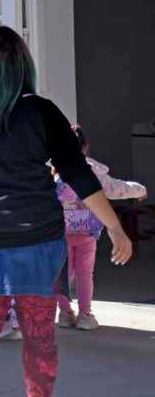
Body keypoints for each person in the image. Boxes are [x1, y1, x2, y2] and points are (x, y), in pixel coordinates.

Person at [0, 26, 133, 397]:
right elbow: (78, 174)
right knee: (38, 332)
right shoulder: (41, 111)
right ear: (24, 64)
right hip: (34, 236)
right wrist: (114, 226)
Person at [56, 125, 146, 331]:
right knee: (85, 273)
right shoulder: (93, 172)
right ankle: (85, 316)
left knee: (64, 274)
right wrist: (140, 189)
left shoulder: (55, 172)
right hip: (87, 233)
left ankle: (65, 313)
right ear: (85, 148)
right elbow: (118, 189)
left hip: (62, 233)